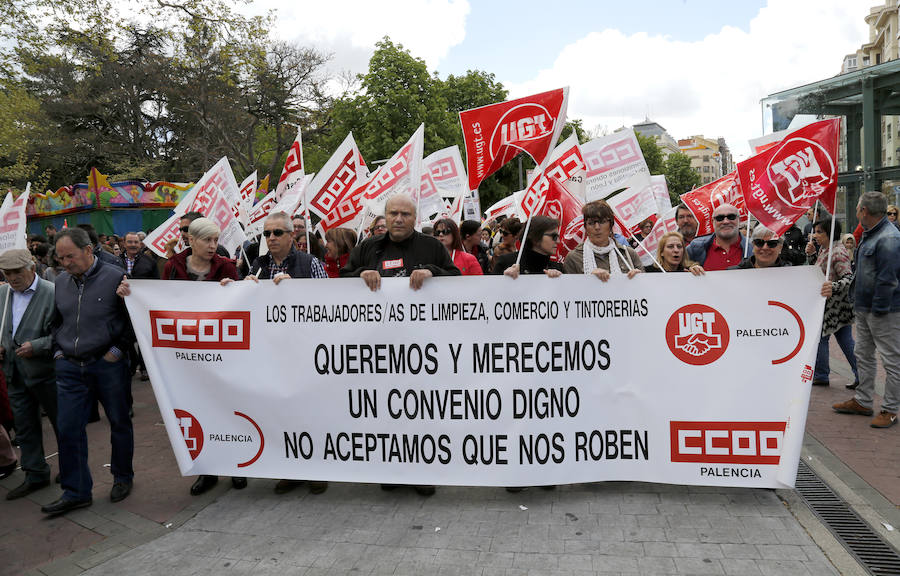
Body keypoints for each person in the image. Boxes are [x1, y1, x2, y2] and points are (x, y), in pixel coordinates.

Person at [341, 195, 458, 496]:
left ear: (415, 217)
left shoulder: (432, 246)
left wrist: (434, 272)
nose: (398, 219)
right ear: (386, 216)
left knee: (421, 411)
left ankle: (423, 471)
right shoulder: (368, 247)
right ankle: (392, 468)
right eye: (393, 213)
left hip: (422, 348)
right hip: (379, 348)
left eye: (405, 213)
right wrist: (360, 275)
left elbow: (458, 280)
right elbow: (342, 281)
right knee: (387, 411)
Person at [134, 218, 246, 494]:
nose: (212, 245)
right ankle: (207, 471)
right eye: (206, 240)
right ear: (190, 240)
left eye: (215, 240)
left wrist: (239, 289)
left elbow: (245, 302)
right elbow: (161, 303)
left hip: (223, 351)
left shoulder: (227, 266)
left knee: (229, 410)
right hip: (188, 356)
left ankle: (236, 467)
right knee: (198, 412)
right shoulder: (173, 267)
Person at [225, 212, 328, 495]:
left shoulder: (310, 263)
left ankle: (317, 469)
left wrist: (297, 290)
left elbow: (330, 304)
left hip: (305, 352)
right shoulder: (257, 267)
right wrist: (233, 290)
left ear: (291, 236)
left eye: (277, 233)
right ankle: (290, 469)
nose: (271, 238)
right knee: (281, 413)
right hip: (272, 354)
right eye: (266, 234)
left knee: (309, 413)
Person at [43, 228, 134, 515]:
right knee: (69, 429)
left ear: (88, 251)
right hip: (70, 365)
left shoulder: (114, 276)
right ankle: (76, 491)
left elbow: (131, 320)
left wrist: (115, 352)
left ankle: (122, 477)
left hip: (106, 364)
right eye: (60, 258)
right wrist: (59, 352)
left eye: (70, 256)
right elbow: (56, 322)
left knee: (119, 422)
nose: (66, 262)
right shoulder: (60, 282)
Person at [832, 192, 900, 428]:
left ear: (864, 211)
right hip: (864, 308)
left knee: (892, 361)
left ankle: (890, 409)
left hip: (883, 310)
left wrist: (879, 309)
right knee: (864, 355)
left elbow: (888, 279)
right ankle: (863, 400)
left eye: (858, 208)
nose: (857, 212)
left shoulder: (889, 238)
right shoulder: (871, 234)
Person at [0, 250, 59, 501]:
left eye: (17, 272)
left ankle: (69, 468)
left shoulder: (52, 292)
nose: (13, 278)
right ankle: (35, 473)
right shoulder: (3, 294)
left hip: (46, 373)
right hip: (14, 374)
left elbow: (63, 335)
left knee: (62, 424)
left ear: (31, 267)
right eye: (7, 273)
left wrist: (37, 346)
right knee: (24, 428)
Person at [805, 218, 858, 389]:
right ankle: (860, 375)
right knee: (843, 341)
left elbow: (849, 278)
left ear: (829, 233)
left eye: (819, 232)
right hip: (830, 308)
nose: (815, 235)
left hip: (835, 308)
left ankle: (822, 374)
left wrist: (832, 287)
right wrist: (812, 255)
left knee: (831, 340)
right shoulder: (825, 249)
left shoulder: (837, 252)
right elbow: (820, 272)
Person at [562, 200, 643, 280]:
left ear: (611, 225)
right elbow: (569, 291)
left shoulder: (629, 254)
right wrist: (589, 280)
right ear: (585, 227)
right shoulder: (573, 258)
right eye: (591, 223)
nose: (597, 227)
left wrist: (639, 279)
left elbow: (644, 289)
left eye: (602, 222)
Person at [495, 216, 565, 277]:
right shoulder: (506, 262)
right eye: (554, 236)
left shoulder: (558, 268)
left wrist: (558, 281)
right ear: (535, 237)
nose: (558, 241)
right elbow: (492, 290)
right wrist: (505, 280)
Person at [686, 203, 749, 270]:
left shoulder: (754, 249)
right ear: (713, 222)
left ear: (739, 219)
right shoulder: (695, 248)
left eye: (731, 217)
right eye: (720, 218)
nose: (726, 222)